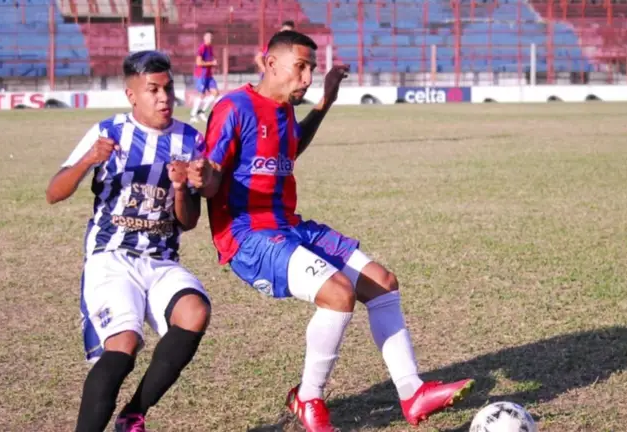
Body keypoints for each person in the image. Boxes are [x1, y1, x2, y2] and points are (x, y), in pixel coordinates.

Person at [191, 31, 474, 432]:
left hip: (290, 226)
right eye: (300, 67)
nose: (307, 78)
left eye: (312, 68)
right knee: (339, 294)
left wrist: (325, 102)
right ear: (270, 64)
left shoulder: (284, 110)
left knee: (383, 283)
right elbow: (212, 179)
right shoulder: (234, 107)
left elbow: (291, 146)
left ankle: (412, 393)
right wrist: (201, 177)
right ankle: (308, 398)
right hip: (248, 235)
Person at [46, 51, 211, 432]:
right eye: (153, 90)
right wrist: (88, 159)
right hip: (112, 256)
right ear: (131, 95)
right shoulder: (109, 131)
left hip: (161, 260)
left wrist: (181, 188)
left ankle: (133, 414)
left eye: (168, 88)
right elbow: (54, 192)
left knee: (195, 312)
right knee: (124, 345)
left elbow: (188, 222)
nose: (164, 98)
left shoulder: (190, 139)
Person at [189, 30, 218, 123]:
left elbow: (210, 60)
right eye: (208, 37)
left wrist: (213, 64)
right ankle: (193, 115)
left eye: (211, 37)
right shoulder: (202, 48)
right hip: (201, 75)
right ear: (204, 38)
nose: (210, 39)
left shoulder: (210, 48)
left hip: (208, 75)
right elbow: (199, 62)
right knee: (201, 95)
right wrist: (212, 63)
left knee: (215, 93)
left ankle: (201, 112)